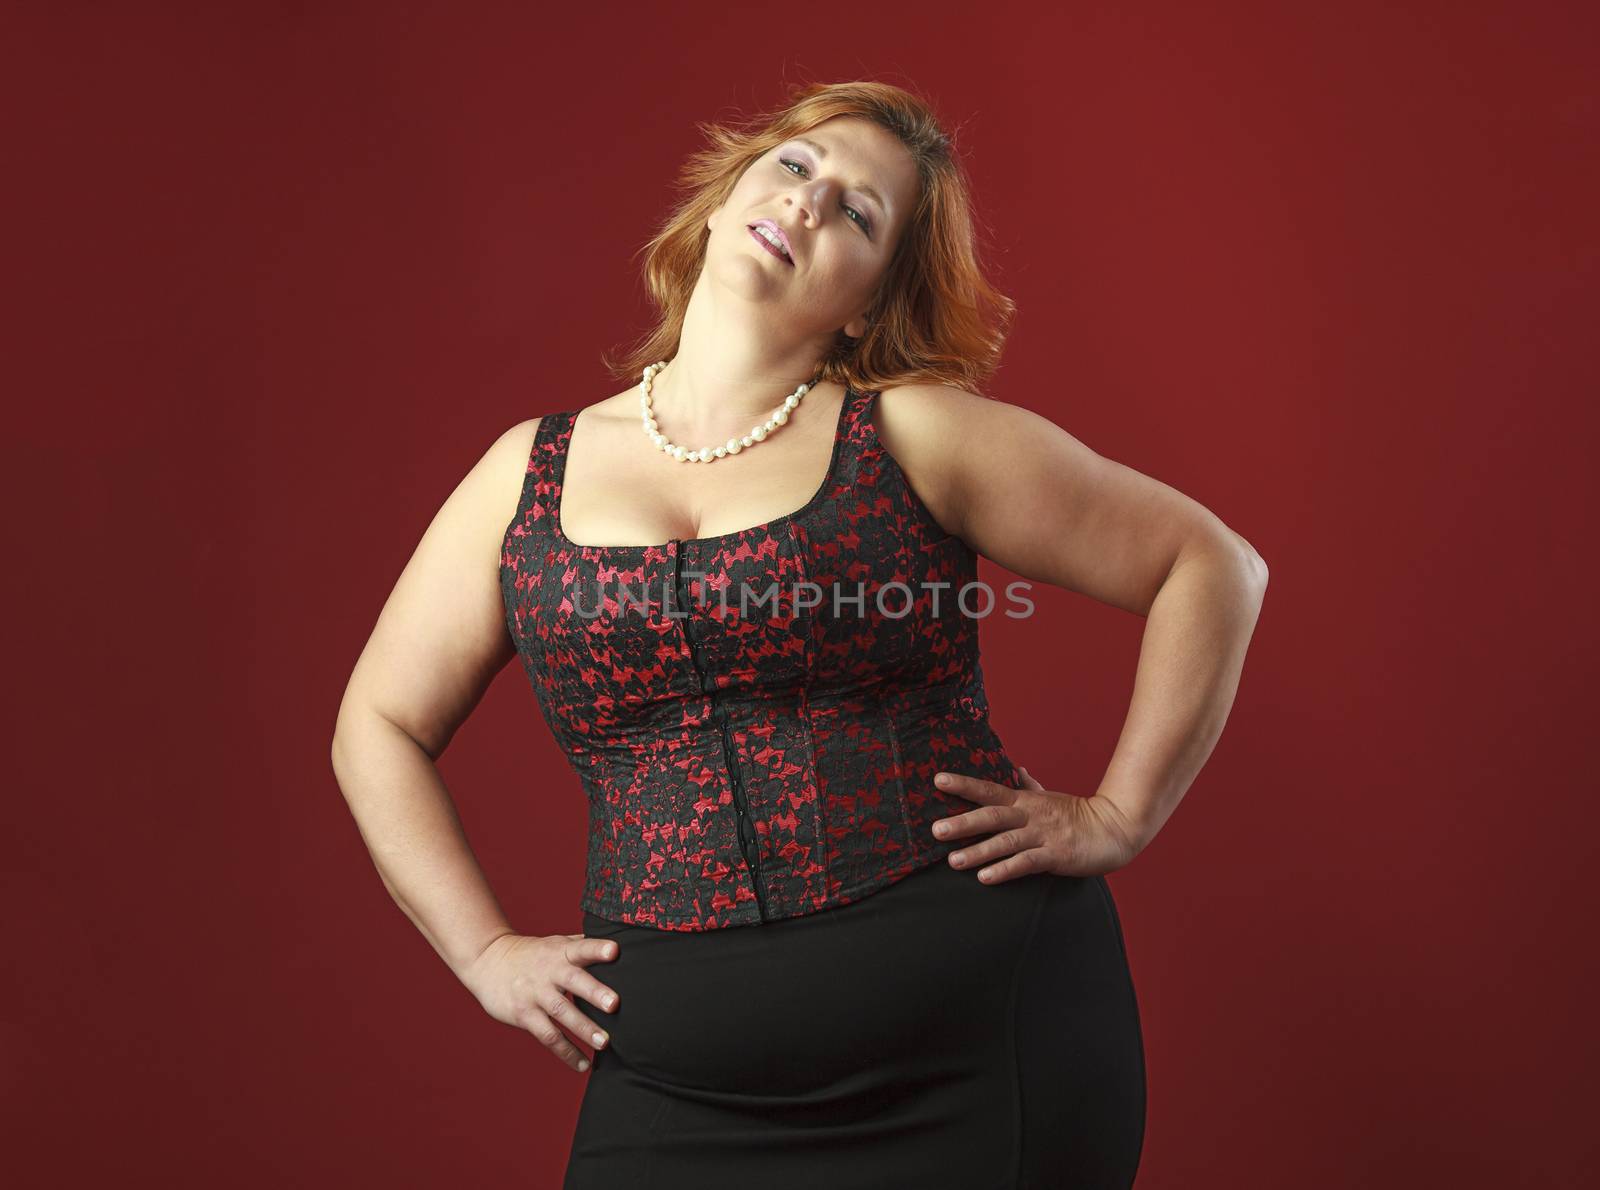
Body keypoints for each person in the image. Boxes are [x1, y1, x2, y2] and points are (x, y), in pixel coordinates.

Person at [331, 79, 1268, 1189]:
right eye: (794, 167)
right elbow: (376, 723)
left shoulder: (912, 434)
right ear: (727, 197)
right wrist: (483, 951)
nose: (812, 203)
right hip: (678, 1083)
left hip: (975, 1047)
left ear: (868, 302)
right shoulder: (522, 473)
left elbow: (1208, 563)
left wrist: (1119, 812)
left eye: (860, 213)